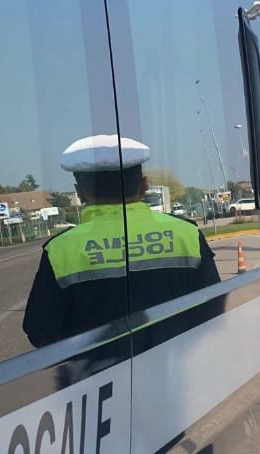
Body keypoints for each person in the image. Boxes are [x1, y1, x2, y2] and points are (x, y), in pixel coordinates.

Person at [22, 135, 220, 347]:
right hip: (175, 371)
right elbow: (214, 308)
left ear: (79, 192)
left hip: (99, 377)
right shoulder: (186, 234)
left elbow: (41, 332)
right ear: (144, 185)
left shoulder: (61, 250)